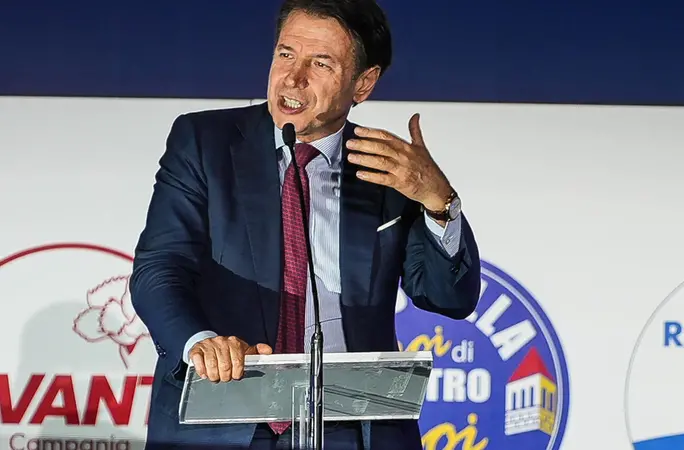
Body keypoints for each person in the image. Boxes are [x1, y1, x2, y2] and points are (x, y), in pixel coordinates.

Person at [130, 0, 481, 448]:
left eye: (320, 63)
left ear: (363, 83)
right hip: (223, 416)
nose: (293, 78)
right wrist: (201, 342)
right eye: (286, 54)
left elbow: (449, 298)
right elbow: (159, 268)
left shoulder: (388, 170)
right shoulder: (204, 143)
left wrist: (438, 201)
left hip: (354, 426)